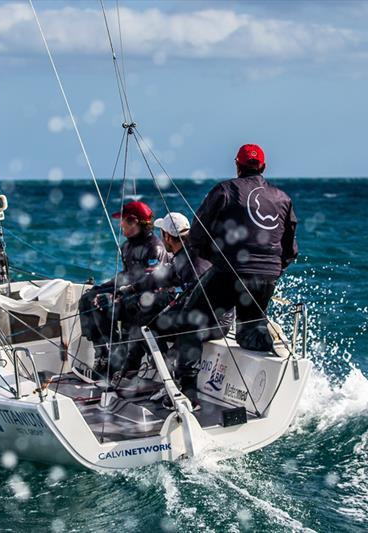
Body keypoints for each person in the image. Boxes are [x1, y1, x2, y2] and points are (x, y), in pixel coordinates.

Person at [165, 144, 298, 400]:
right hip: (266, 276)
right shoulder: (283, 198)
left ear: (237, 166)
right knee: (251, 327)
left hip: (230, 272)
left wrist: (214, 259)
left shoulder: (225, 190)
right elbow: (290, 249)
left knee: (190, 320)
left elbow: (197, 235)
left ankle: (188, 390)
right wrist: (272, 271)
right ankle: (273, 383)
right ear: (264, 167)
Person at [112, 212, 214, 375]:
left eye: (161, 233)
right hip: (201, 314)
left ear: (167, 236)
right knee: (140, 306)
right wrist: (131, 289)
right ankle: (135, 368)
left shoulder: (192, 261)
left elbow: (200, 301)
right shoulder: (185, 254)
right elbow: (158, 278)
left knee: (145, 321)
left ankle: (166, 369)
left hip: (211, 321)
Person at [78, 201, 168, 377]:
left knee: (103, 303)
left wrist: (118, 294)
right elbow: (126, 275)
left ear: (134, 221)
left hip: (145, 299)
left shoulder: (154, 247)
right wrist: (104, 288)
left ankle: (115, 357)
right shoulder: (126, 246)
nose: (120, 225)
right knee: (88, 299)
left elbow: (150, 280)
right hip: (127, 293)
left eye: (123, 221)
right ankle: (102, 353)